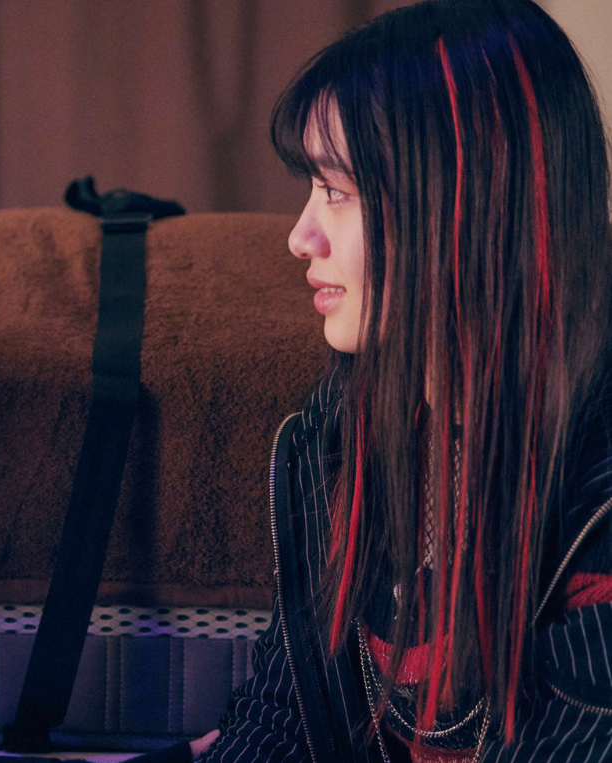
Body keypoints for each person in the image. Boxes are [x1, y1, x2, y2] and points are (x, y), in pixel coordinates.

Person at [197, 1, 612, 761]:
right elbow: (285, 714)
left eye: (336, 191)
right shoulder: (339, 427)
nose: (299, 238)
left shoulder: (596, 486)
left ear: (468, 201)